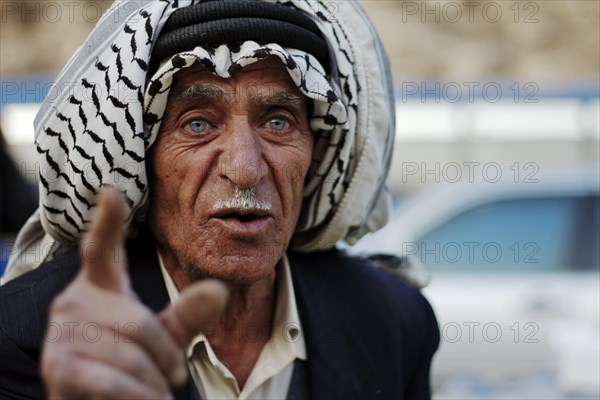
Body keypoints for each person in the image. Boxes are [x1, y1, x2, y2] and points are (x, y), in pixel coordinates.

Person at [0, 1, 439, 399]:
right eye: (197, 125)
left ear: (315, 151)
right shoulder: (30, 336)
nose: (245, 169)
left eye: (279, 123)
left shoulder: (393, 323)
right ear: (140, 161)